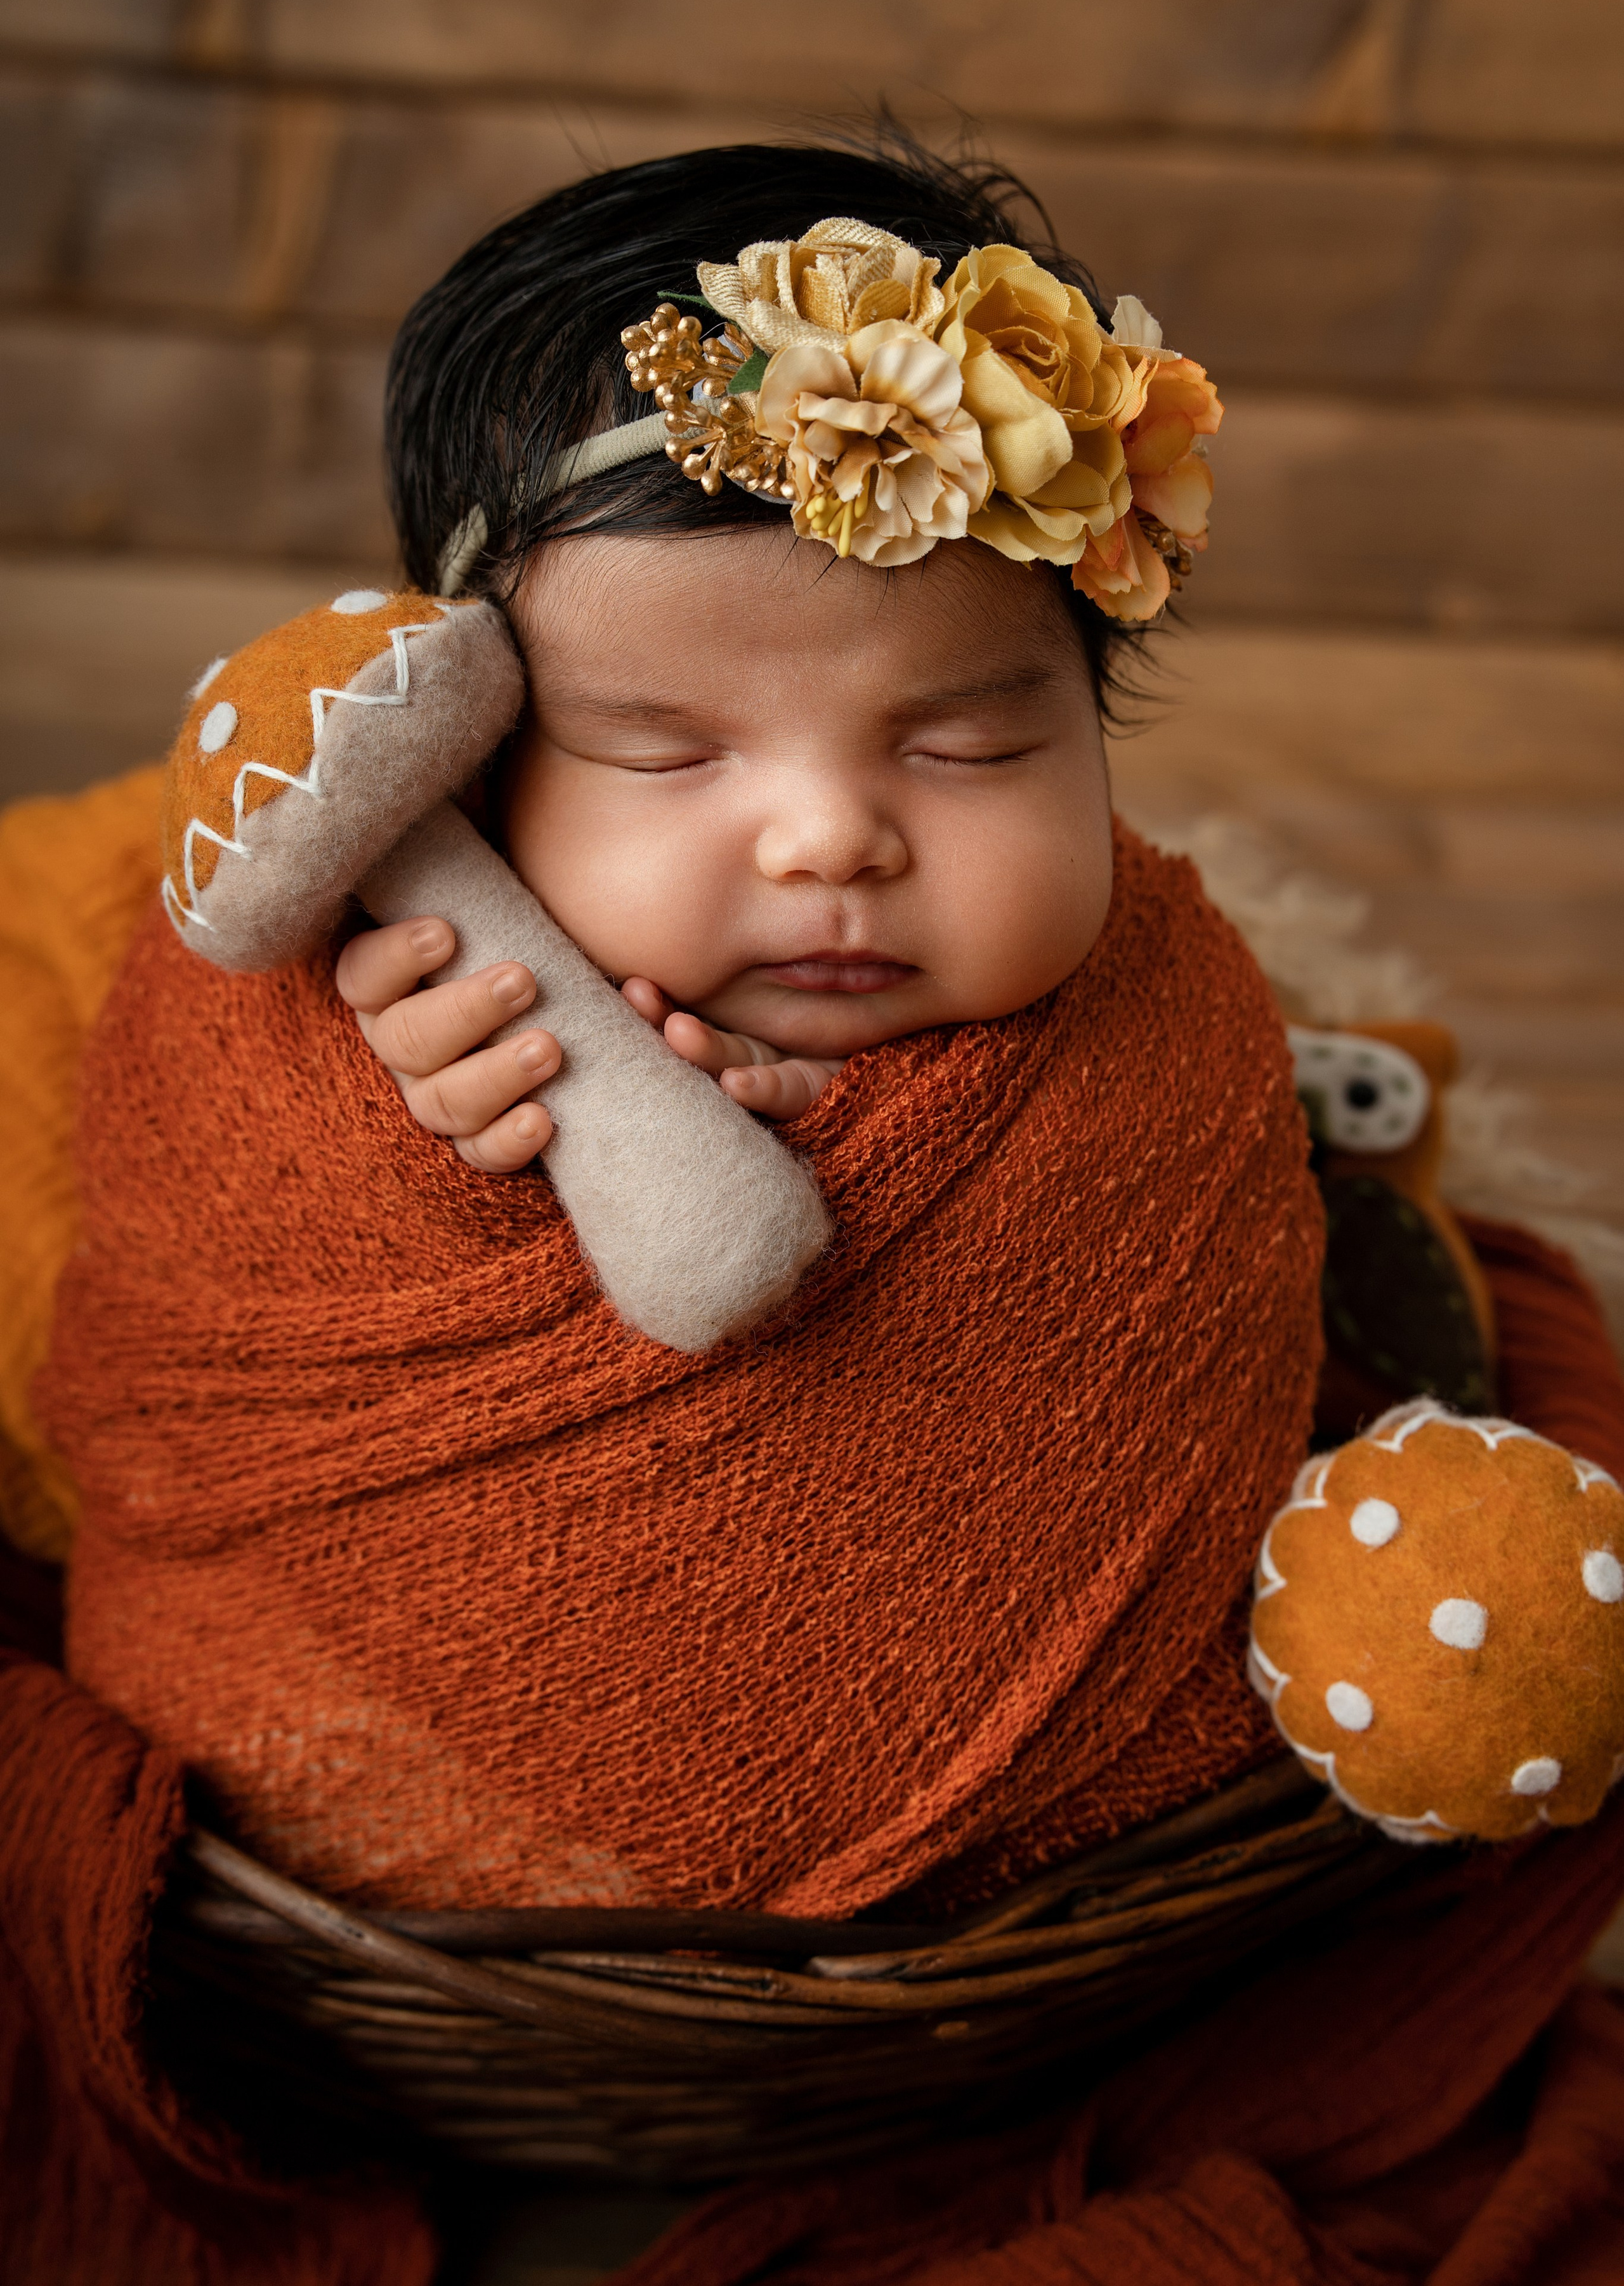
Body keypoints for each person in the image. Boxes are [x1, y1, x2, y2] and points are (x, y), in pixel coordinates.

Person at [4, 132, 1623, 2285]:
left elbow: (1185, 1324)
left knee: (1413, 1319)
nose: (831, 838)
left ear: (1098, 732)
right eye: (665, 755)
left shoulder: (1156, 1016)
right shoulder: (426, 987)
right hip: (412, 1866)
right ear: (472, 758)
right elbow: (216, 1223)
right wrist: (408, 1126)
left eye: (966, 746)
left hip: (1053, 1896)